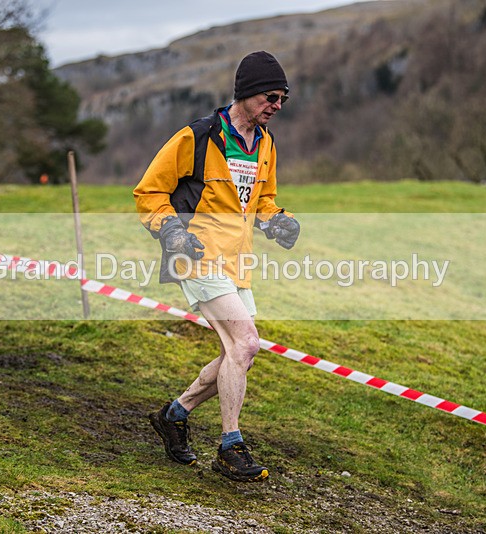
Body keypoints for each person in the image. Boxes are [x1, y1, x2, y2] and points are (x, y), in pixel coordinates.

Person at [133, 51, 300, 482]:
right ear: (245, 93)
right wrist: (170, 230)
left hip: (236, 259)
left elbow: (261, 198)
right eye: (270, 96)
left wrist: (275, 220)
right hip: (197, 255)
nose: (277, 105)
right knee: (245, 344)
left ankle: (175, 414)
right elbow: (149, 192)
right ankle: (231, 447)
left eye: (282, 98)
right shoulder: (199, 136)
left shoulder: (265, 143)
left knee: (234, 354)